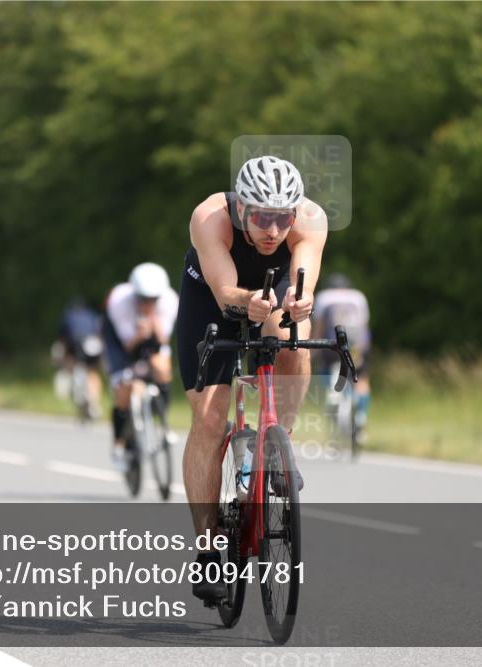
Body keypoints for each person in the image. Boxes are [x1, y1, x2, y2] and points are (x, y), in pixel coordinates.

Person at [176, 155, 327, 602]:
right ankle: (207, 550)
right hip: (212, 296)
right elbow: (225, 294)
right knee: (207, 419)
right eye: (261, 216)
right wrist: (249, 304)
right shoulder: (210, 217)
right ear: (241, 209)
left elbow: (303, 285)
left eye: (282, 218)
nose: (273, 230)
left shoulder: (312, 220)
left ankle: (281, 441)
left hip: (274, 289)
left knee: (293, 336)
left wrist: (298, 304)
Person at [102, 262, 179, 470]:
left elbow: (162, 341)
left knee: (162, 370)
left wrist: (153, 323)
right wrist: (140, 334)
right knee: (123, 388)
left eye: (153, 300)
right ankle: (118, 445)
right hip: (120, 342)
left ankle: (162, 424)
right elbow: (128, 346)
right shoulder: (119, 302)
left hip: (149, 334)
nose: (148, 303)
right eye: (143, 299)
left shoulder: (170, 301)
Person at [312, 273, 372, 444]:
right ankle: (360, 418)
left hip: (333, 345)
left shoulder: (324, 297)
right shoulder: (358, 297)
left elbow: (319, 327)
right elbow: (364, 327)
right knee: (361, 381)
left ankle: (334, 398)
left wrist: (312, 352)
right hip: (357, 346)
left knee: (329, 373)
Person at [57, 297, 104, 420]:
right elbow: (100, 333)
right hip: (94, 344)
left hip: (77, 344)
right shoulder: (92, 315)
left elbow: (63, 339)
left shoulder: (68, 316)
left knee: (70, 362)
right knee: (92, 372)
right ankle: (94, 402)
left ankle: (74, 384)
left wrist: (64, 358)